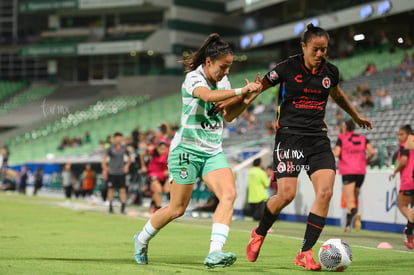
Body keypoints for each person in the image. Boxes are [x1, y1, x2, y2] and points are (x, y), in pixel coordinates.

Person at [242, 24, 372, 270]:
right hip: (290, 137)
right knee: (286, 195)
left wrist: (355, 117)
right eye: (316, 49)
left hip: (317, 138)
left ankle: (305, 252)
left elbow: (338, 95)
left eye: (324, 49)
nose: (320, 53)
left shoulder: (330, 72)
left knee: (325, 192)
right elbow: (261, 87)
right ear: (303, 47)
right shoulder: (286, 68)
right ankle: (259, 232)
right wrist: (250, 92)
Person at [132, 33, 261, 269]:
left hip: (212, 151)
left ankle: (214, 253)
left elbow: (228, 116)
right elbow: (208, 96)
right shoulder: (193, 78)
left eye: (230, 68)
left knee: (229, 195)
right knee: (177, 208)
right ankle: (141, 239)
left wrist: (249, 98)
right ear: (209, 62)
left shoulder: (222, 81)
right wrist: (240, 92)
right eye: (223, 67)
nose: (226, 73)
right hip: (186, 151)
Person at [333, 119, 375, 232]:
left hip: (348, 170)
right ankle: (348, 225)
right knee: (354, 197)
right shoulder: (363, 138)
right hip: (361, 171)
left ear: (345, 127)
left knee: (349, 199)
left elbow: (336, 153)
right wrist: (365, 160)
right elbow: (372, 152)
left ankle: (355, 213)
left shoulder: (342, 137)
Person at [389, 124, 414, 249]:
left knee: (402, 205)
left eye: (401, 134)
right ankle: (410, 231)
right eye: (398, 134)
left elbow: (403, 161)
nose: (399, 137)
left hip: (408, 180)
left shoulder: (405, 146)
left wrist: (394, 172)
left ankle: (410, 229)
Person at [102, 131, 132, 214]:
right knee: (111, 189)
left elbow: (130, 158)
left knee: (122, 190)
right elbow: (104, 159)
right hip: (112, 172)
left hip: (121, 173)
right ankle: (110, 207)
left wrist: (127, 166)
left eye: (120, 137)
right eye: (117, 137)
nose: (119, 139)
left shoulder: (124, 148)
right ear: (114, 138)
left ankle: (123, 208)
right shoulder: (110, 148)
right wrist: (105, 169)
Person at [140, 140, 170, 214]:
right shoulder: (152, 152)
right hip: (154, 174)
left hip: (165, 175)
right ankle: (158, 210)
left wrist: (169, 171)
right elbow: (142, 154)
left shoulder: (169, 154)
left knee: (167, 190)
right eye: (161, 149)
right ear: (157, 148)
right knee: (157, 190)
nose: (163, 151)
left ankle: (153, 208)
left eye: (164, 149)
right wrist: (143, 166)